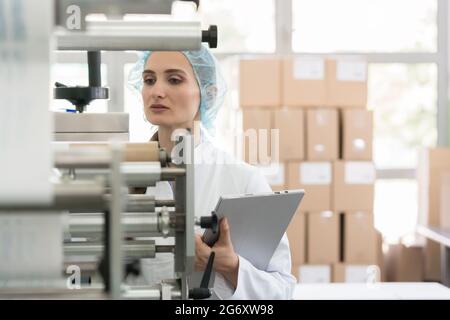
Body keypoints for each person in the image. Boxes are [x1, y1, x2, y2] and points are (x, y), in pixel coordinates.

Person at [128, 45, 296, 299]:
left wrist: (231, 266)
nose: (157, 91)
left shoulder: (243, 181)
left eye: (174, 79)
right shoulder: (123, 174)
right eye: (149, 80)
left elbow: (281, 291)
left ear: (208, 93)